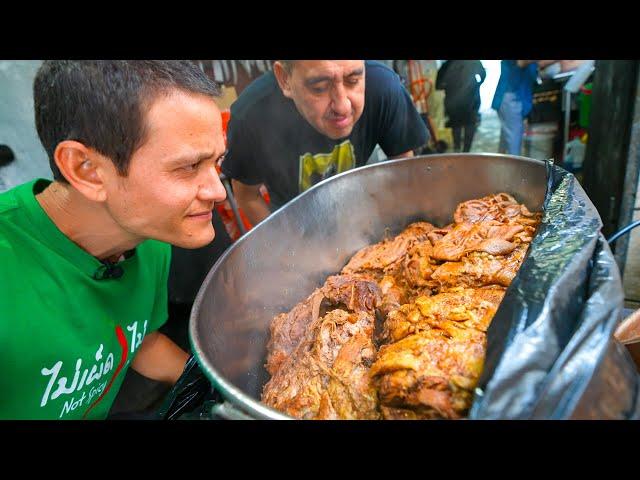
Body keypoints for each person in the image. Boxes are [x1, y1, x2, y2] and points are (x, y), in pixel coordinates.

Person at [0, 60, 228, 419]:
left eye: (218, 161)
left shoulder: (148, 234)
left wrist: (225, 389)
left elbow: (139, 339)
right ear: (86, 169)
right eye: (188, 167)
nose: (218, 191)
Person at [221, 60, 429, 225]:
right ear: (284, 79)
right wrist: (284, 250)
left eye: (353, 80)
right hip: (292, 223)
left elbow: (403, 170)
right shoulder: (251, 115)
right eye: (320, 87)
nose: (343, 106)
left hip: (363, 208)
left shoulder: (384, 88)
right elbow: (247, 196)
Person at [492, 60, 556, 155]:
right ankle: (513, 166)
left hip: (513, 97)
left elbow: (541, 63)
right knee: (514, 139)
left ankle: (501, 163)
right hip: (510, 97)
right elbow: (522, 62)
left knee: (507, 137)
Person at [435, 60, 486, 152]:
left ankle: (457, 149)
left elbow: (438, 85)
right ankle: (467, 151)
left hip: (453, 101)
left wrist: (449, 86)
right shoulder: (474, 62)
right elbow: (483, 75)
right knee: (470, 123)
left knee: (456, 125)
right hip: (471, 99)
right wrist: (476, 84)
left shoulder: (447, 65)